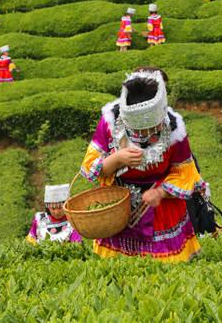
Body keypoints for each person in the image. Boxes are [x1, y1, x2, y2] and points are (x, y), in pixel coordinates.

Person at [78, 69, 202, 261]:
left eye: (151, 130)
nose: (145, 136)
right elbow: (90, 167)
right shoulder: (110, 122)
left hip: (162, 210)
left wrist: (160, 193)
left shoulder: (175, 129)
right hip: (117, 208)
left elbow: (186, 173)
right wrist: (116, 159)